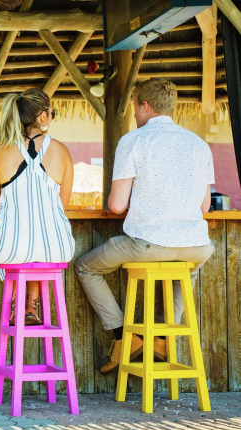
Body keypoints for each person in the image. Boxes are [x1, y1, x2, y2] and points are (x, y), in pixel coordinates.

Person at [75, 78, 215, 374]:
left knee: (86, 267)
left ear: (145, 106)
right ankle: (163, 340)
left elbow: (116, 205)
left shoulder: (134, 141)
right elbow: (204, 207)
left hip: (148, 243)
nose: (135, 114)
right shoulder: (199, 145)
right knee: (187, 272)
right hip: (197, 247)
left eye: (136, 108)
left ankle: (124, 338)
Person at [0, 88, 75, 325]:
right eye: (52, 113)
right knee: (38, 249)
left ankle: (17, 303)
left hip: (12, 247)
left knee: (22, 248)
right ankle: (31, 304)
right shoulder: (62, 151)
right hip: (57, 247)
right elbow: (61, 206)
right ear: (42, 116)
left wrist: (15, 224)